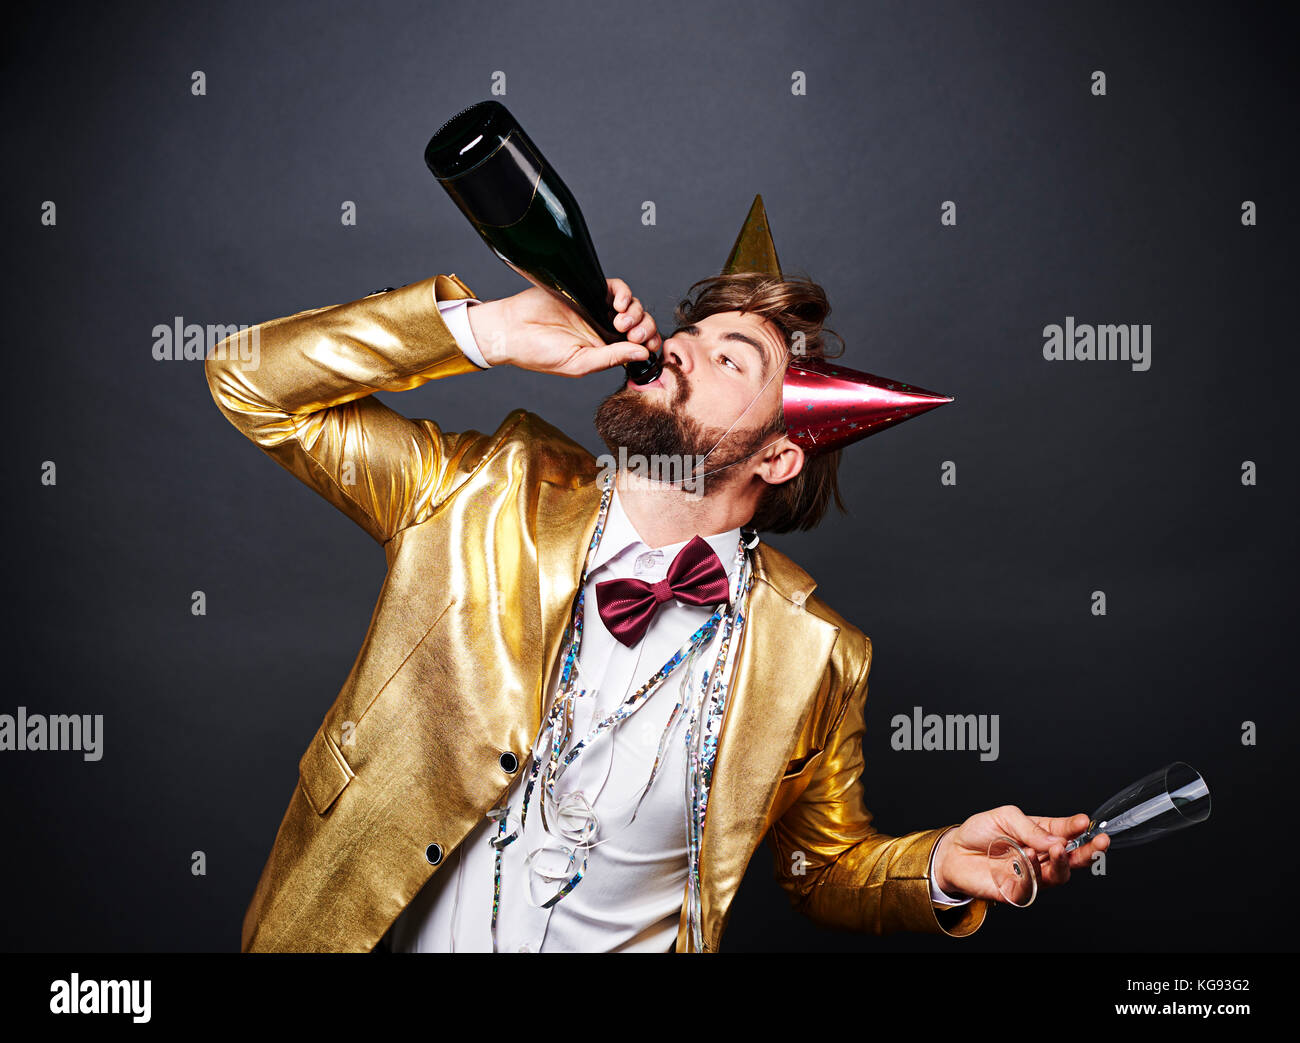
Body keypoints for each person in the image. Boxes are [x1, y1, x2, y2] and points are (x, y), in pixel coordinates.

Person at [206, 196, 1107, 953]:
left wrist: (942, 859)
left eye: (728, 359)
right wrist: (485, 330)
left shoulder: (817, 658)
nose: (677, 347)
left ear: (781, 458)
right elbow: (249, 382)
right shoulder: (482, 490)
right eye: (690, 332)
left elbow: (821, 869)